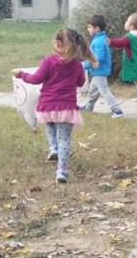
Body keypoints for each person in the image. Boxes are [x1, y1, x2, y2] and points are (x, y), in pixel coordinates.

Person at [13, 29, 92, 183]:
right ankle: (62, 172)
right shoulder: (77, 65)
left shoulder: (48, 61)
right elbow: (81, 82)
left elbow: (36, 79)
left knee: (50, 127)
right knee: (65, 140)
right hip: (67, 108)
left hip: (48, 106)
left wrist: (21, 74)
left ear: (58, 43)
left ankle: (54, 148)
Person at [80, 15, 125, 118]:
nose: (88, 29)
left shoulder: (99, 41)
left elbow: (97, 58)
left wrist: (84, 65)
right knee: (93, 91)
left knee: (104, 91)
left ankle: (117, 110)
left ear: (97, 28)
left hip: (100, 71)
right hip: (98, 71)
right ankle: (88, 107)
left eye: (89, 27)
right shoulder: (101, 39)